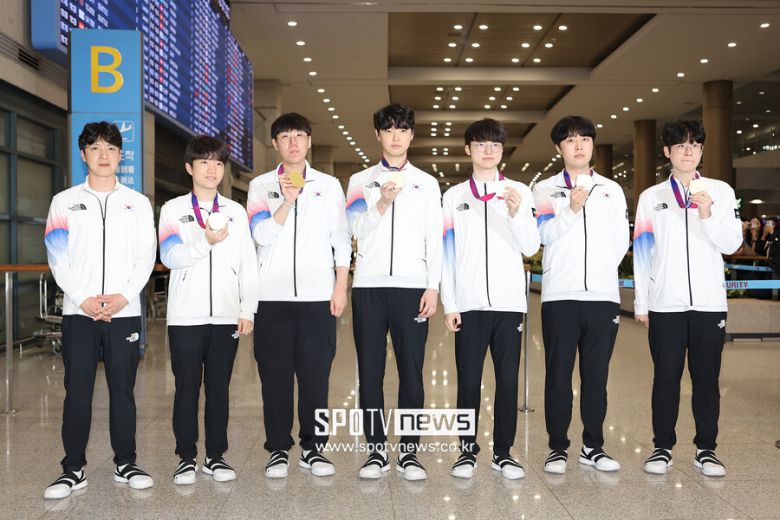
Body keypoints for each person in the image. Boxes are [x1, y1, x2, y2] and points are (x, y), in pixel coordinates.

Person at [43, 122, 156, 499]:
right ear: (83, 154)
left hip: (124, 313)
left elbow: (146, 257)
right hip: (80, 313)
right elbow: (57, 257)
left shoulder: (137, 203)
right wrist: (84, 298)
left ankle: (126, 462)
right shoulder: (64, 202)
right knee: (77, 391)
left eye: (110, 148)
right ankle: (73, 468)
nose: (103, 155)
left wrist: (123, 297)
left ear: (121, 155)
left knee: (123, 390)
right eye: (95, 148)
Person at [634, 120, 742, 477]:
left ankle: (706, 449)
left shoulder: (720, 191)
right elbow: (642, 253)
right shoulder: (651, 197)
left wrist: (707, 215)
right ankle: (662, 447)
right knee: (666, 377)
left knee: (707, 380)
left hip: (709, 304)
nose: (688, 151)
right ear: (667, 151)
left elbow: (733, 244)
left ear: (702, 150)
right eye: (680, 145)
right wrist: (642, 302)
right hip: (666, 303)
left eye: (695, 144)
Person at [247, 113, 351, 479]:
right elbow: (259, 235)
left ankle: (313, 448)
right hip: (271, 299)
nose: (293, 142)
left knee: (315, 378)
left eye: (299, 136)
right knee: (274, 379)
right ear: (275, 143)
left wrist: (340, 286)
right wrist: (287, 202)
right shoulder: (261, 186)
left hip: (317, 298)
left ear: (308, 141)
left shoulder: (329, 185)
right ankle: (278, 448)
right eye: (285, 136)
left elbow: (341, 238)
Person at [346, 103, 442, 481]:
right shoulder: (360, 181)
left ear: (411, 135)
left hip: (411, 288)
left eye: (402, 129)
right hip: (368, 287)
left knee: (411, 373)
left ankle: (409, 452)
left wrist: (433, 285)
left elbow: (434, 238)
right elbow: (354, 228)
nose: (396, 136)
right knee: (370, 373)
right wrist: (381, 203)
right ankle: (376, 451)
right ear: (378, 135)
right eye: (388, 129)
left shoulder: (426, 183)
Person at [441, 118, 540, 480]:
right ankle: (466, 451)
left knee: (507, 382)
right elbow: (446, 254)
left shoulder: (519, 192)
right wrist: (450, 303)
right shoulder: (454, 197)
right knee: (468, 382)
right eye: (481, 144)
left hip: (508, 304)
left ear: (502, 150)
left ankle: (503, 453)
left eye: (495, 145)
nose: (488, 151)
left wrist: (515, 214)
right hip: (468, 305)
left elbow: (531, 246)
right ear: (468, 149)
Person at [532, 116, 629, 474]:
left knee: (596, 376)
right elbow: (543, 235)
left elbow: (620, 241)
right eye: (570, 140)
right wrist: (572, 209)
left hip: (602, 297)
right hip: (560, 295)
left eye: (585, 139)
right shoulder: (544, 190)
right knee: (558, 375)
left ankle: (593, 446)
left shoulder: (611, 189)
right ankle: (557, 447)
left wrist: (601, 271)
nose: (579, 145)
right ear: (558, 147)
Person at [158, 135, 257, 485]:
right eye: (204, 162)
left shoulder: (235, 212)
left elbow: (248, 263)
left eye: (217, 163)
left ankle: (216, 456)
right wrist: (205, 242)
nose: (212, 169)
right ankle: (186, 457)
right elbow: (170, 256)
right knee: (186, 388)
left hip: (226, 316)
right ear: (190, 167)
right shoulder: (173, 210)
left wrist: (247, 308)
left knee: (219, 389)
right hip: (186, 317)